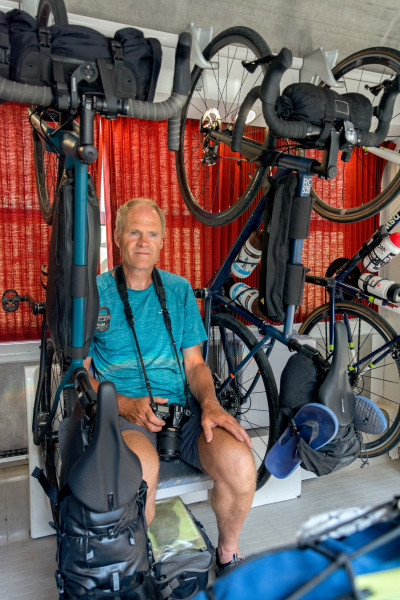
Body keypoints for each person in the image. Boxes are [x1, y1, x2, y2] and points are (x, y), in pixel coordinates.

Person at [83, 198, 256, 574]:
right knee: (141, 470)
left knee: (241, 462)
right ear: (116, 237)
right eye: (134, 232)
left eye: (152, 234)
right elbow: (83, 375)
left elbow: (195, 364)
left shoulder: (178, 291)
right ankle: (139, 570)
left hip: (181, 414)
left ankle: (227, 554)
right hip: (124, 414)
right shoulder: (94, 293)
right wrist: (124, 405)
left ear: (163, 242)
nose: (143, 241)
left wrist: (210, 405)